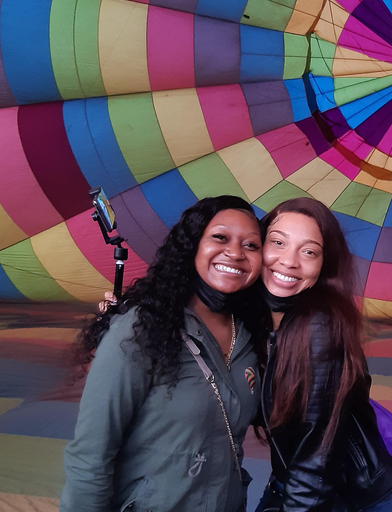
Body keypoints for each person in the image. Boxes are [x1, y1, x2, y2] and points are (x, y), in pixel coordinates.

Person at [60, 195, 269, 512]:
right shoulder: (139, 331)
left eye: (251, 245)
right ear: (192, 245)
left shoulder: (251, 336)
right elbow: (91, 456)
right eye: (220, 237)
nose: (236, 253)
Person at [255, 197, 392, 512]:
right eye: (278, 242)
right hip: (291, 481)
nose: (289, 261)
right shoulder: (262, 319)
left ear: (324, 265)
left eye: (308, 251)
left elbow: (317, 457)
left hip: (343, 498)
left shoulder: (320, 328)